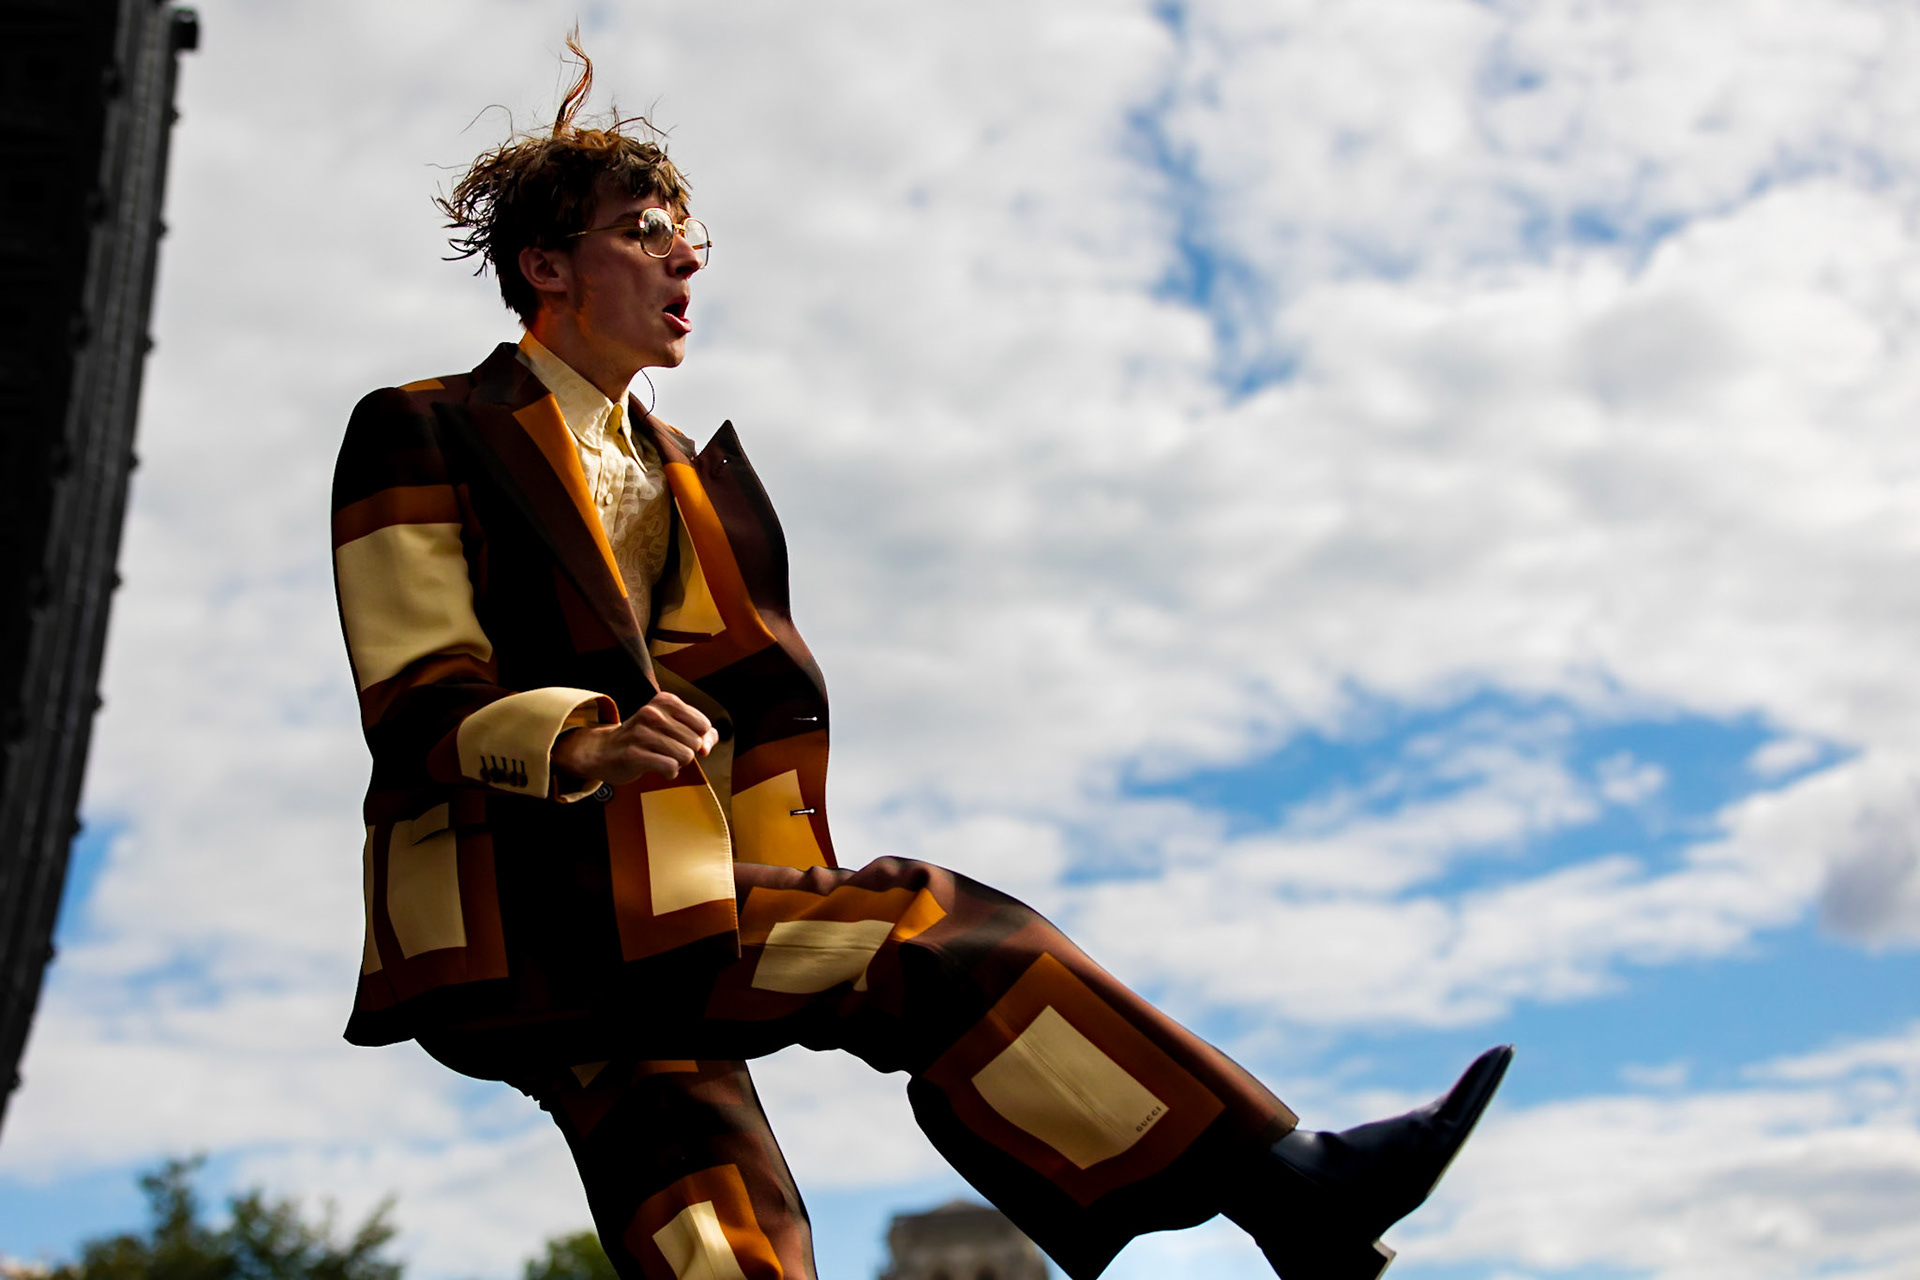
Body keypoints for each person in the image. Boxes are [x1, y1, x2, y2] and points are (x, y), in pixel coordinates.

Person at [329, 43, 1511, 1280]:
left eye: (690, 235)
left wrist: (765, 856)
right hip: (520, 909)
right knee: (918, 931)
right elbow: (415, 694)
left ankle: (1295, 1200)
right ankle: (1291, 1184)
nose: (687, 258)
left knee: (716, 1227)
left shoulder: (689, 473)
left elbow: (747, 695)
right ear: (546, 265)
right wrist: (585, 740)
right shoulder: (422, 426)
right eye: (646, 231)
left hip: (656, 918)